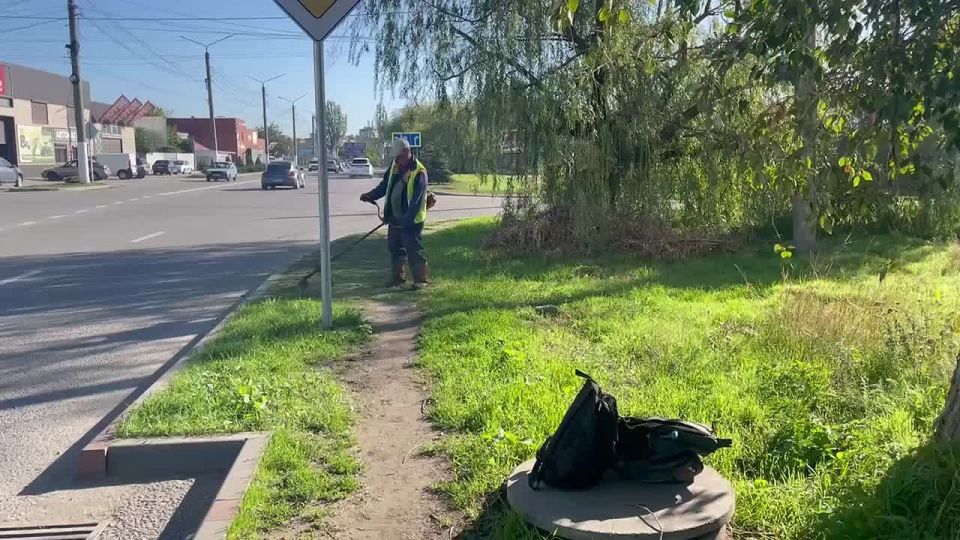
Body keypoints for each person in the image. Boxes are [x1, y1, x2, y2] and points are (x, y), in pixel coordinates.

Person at [360, 138, 429, 289]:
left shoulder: (419, 172)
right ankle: (398, 279)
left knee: (413, 248)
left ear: (406, 152)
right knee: (395, 248)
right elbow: (385, 185)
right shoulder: (395, 166)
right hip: (395, 217)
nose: (396, 159)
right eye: (395, 157)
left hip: (412, 220)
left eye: (398, 156)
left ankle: (421, 281)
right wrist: (370, 195)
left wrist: (406, 221)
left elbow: (416, 202)